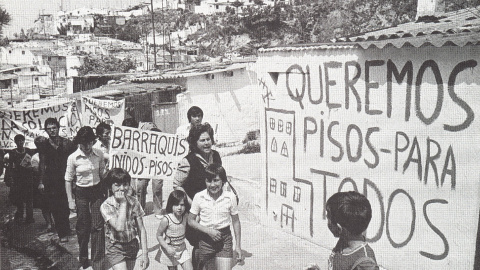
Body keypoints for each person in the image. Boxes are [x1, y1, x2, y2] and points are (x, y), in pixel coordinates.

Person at [65, 126, 107, 270]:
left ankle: (98, 262)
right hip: (81, 194)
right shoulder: (73, 158)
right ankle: (83, 258)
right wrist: (70, 200)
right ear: (79, 142)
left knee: (98, 226)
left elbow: (102, 174)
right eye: (85, 143)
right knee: (83, 227)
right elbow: (68, 180)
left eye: (90, 142)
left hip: (96, 193)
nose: (88, 146)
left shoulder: (99, 154)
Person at [188, 163, 243, 270]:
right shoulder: (199, 197)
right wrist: (208, 231)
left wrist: (238, 246)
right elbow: (190, 221)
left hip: (224, 240)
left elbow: (236, 221)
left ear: (223, 180)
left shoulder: (230, 197)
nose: (212, 185)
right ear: (204, 181)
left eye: (216, 180)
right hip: (205, 240)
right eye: (209, 181)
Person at [36, 117, 76, 243]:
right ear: (46, 131)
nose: (52, 131)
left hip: (65, 179)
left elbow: (74, 161)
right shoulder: (44, 145)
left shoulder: (67, 143)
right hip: (51, 180)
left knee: (65, 206)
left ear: (58, 128)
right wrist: (41, 181)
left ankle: (67, 228)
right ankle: (62, 232)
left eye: (54, 128)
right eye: (49, 129)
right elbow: (42, 163)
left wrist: (74, 179)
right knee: (55, 206)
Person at [100, 168, 149, 270]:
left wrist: (145, 254)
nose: (122, 188)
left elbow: (141, 229)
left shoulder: (134, 202)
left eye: (125, 184)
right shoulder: (106, 205)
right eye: (117, 185)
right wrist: (123, 203)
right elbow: (119, 227)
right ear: (110, 187)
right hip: (115, 247)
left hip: (131, 245)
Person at [326, 191, 379, 270]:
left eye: (328, 218)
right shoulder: (343, 242)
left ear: (339, 228)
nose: (327, 223)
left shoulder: (365, 264)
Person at [156, 190, 193, 270]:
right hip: (169, 252)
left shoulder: (185, 216)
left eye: (182, 205)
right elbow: (159, 235)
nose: (179, 208)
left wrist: (185, 193)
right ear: (170, 205)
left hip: (182, 250)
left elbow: (195, 208)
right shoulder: (166, 219)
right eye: (176, 205)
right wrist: (167, 247)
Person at [4, 134, 36, 224]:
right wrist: (9, 178)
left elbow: (33, 162)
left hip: (28, 178)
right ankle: (20, 215)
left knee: (29, 199)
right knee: (19, 198)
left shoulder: (29, 151)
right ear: (15, 142)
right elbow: (10, 166)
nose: (20, 142)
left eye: (21, 140)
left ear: (24, 141)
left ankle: (29, 217)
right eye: (18, 141)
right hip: (18, 179)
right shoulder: (12, 152)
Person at [31, 139, 54, 233]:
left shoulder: (52, 154)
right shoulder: (35, 157)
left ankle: (56, 222)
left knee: (54, 204)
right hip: (42, 184)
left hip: (53, 183)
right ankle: (49, 222)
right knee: (45, 205)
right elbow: (36, 171)